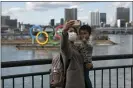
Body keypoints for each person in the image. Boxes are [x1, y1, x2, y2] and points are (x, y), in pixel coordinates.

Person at [60, 20, 85, 88]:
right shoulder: (67, 48)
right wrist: (64, 31)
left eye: (74, 31)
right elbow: (63, 46)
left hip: (80, 82)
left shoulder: (77, 47)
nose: (73, 33)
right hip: (72, 83)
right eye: (70, 31)